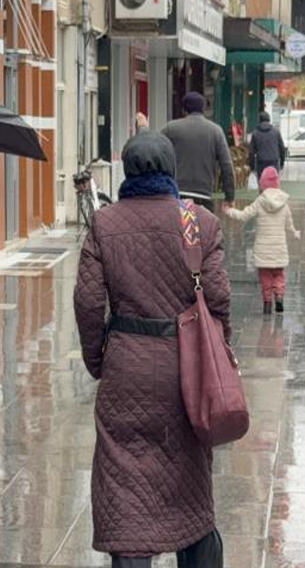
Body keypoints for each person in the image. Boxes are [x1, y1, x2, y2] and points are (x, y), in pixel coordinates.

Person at [74, 131, 231, 568]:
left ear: (126, 169)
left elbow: (87, 303)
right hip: (188, 373)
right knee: (191, 482)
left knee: (125, 484)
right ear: (171, 170)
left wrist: (97, 359)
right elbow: (217, 301)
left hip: (126, 368)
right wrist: (220, 358)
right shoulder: (198, 222)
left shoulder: (104, 224)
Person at [223, 166, 300, 314]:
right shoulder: (284, 203)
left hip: (263, 249)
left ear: (262, 184)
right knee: (279, 274)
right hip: (279, 249)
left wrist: (228, 211)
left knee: (265, 277)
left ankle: (266, 304)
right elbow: (289, 225)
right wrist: (295, 232)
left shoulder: (260, 201)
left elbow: (243, 215)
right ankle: (279, 295)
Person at [160, 92, 236, 212]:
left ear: (184, 110)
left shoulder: (171, 128)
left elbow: (156, 152)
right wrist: (229, 196)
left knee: (178, 229)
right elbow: (227, 166)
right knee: (205, 229)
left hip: (178, 193)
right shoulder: (216, 131)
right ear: (203, 109)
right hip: (204, 195)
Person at [248, 112, 286, 177]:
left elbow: (251, 152)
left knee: (262, 183)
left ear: (259, 120)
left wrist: (252, 167)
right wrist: (282, 163)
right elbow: (282, 149)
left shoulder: (255, 133)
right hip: (274, 162)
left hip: (261, 163)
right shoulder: (276, 132)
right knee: (273, 183)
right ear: (269, 120)